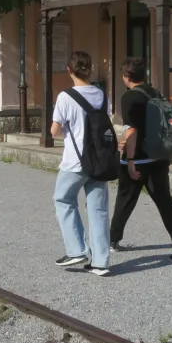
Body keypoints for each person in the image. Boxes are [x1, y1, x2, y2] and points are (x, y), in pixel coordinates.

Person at [109, 57, 172, 263]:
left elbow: (132, 129)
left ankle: (112, 240)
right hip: (159, 156)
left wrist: (129, 160)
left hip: (138, 157)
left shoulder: (129, 97)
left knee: (125, 199)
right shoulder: (155, 93)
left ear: (126, 77)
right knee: (165, 200)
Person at [51, 51, 112, 276]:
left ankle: (76, 250)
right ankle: (101, 262)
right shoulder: (102, 95)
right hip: (99, 159)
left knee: (63, 199)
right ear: (90, 69)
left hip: (75, 162)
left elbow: (54, 131)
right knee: (98, 209)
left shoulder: (66, 97)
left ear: (69, 70)